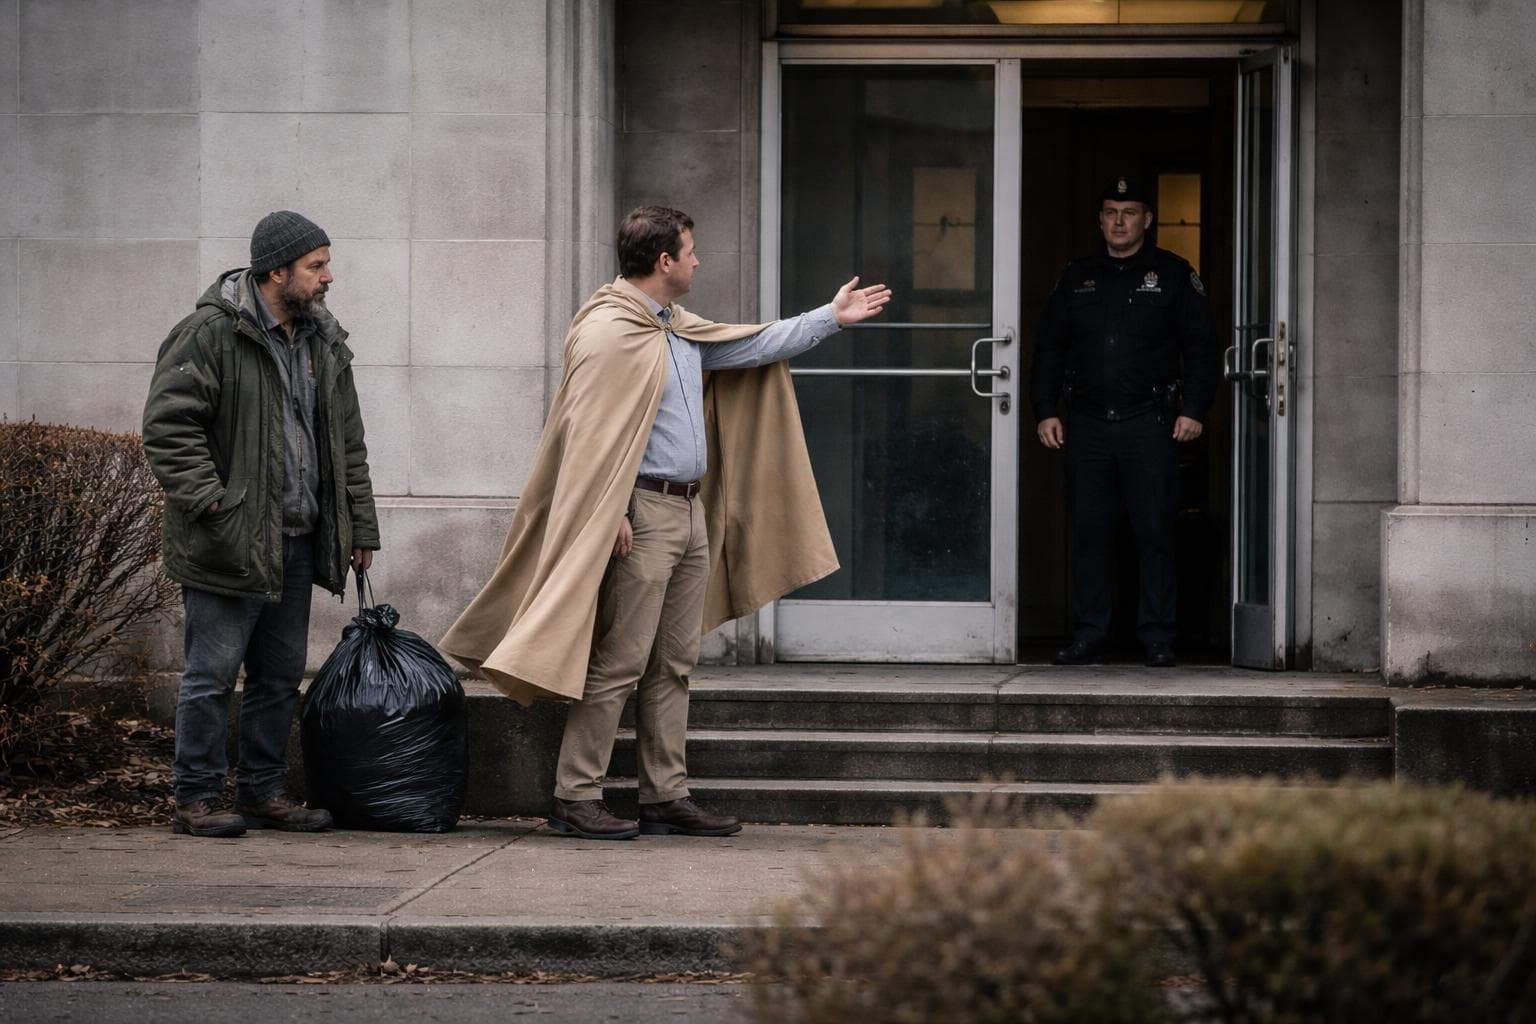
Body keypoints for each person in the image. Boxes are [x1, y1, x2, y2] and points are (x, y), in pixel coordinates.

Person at [442, 205, 890, 840]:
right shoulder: (607, 333)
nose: (698, 260)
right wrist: (613, 512)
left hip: (689, 510)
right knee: (621, 659)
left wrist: (828, 318)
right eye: (691, 250)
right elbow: (588, 437)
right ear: (664, 262)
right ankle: (575, 794)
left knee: (675, 660)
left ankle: (665, 794)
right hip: (642, 517)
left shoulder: (674, 328)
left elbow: (750, 345)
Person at [143, 211, 380, 838]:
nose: (329, 277)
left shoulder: (323, 342)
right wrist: (214, 504)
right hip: (231, 538)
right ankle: (194, 799)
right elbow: (169, 428)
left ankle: (263, 792)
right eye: (316, 265)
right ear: (277, 271)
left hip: (298, 540)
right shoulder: (210, 334)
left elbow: (347, 443)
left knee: (278, 677)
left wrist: (360, 526)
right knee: (212, 676)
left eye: (326, 263)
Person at [1031, 177, 1218, 669]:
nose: (1119, 221)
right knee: (1090, 531)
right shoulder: (1077, 277)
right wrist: (1045, 409)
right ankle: (1091, 633)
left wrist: (1194, 409)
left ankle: (1157, 634)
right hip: (1087, 425)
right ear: (1100, 220)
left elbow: (1201, 348)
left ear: (1147, 219)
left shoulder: (1174, 275)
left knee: (1154, 529)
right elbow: (1049, 347)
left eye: (1129, 211)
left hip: (1150, 423)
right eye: (1111, 211)